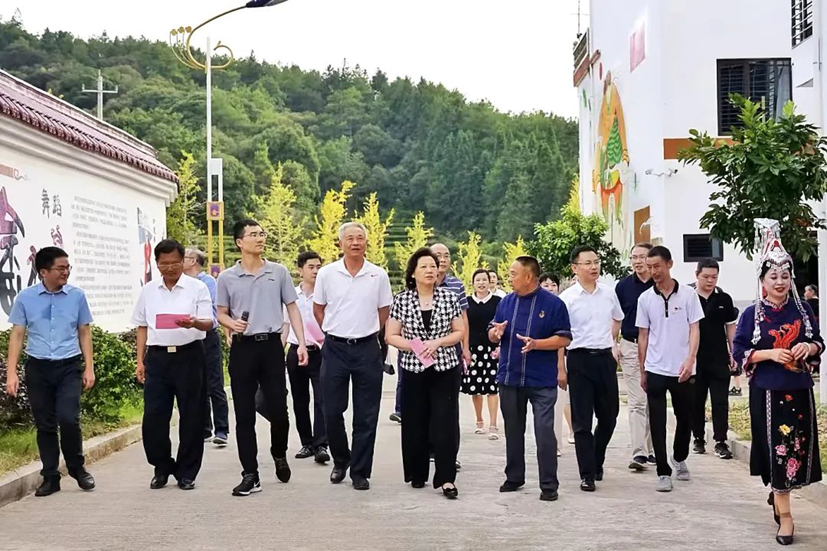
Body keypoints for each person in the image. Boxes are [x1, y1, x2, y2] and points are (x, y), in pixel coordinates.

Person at [732, 219, 823, 546]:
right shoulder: (751, 315)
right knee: (777, 454)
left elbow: (819, 342)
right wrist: (770, 353)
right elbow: (739, 352)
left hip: (799, 392)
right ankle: (786, 517)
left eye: (785, 276)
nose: (780, 282)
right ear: (763, 280)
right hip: (768, 394)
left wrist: (808, 348)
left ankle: (780, 495)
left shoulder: (802, 311)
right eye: (774, 276)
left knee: (796, 451)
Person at [217, 219, 309, 497]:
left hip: (271, 347)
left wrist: (301, 343)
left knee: (279, 411)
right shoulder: (227, 277)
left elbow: (292, 308)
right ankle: (250, 474)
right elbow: (220, 313)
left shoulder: (278, 272)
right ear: (239, 242)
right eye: (253, 234)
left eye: (262, 234)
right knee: (244, 414)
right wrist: (231, 324)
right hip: (243, 348)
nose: (260, 238)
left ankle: (279, 452)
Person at [5, 247, 96, 497]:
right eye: (60, 268)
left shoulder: (77, 296)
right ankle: (50, 476)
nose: (66, 272)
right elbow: (17, 334)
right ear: (43, 272)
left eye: (68, 267)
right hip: (38, 367)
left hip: (69, 366)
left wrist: (89, 367)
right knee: (45, 424)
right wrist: (11, 373)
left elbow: (84, 331)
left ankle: (77, 468)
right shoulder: (26, 298)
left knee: (68, 419)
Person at [314, 222, 393, 491]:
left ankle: (360, 471)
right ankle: (341, 459)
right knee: (331, 409)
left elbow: (384, 312)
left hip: (367, 348)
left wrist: (366, 331)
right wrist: (335, 330)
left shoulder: (378, 274)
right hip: (335, 348)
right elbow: (318, 309)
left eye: (360, 238)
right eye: (350, 238)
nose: (355, 243)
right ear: (341, 243)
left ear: (366, 242)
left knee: (366, 414)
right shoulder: (327, 273)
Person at [132, 239, 213, 491]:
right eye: (164, 264)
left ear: (183, 261)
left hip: (189, 356)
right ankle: (162, 466)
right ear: (156, 264)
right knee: (154, 416)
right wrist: (140, 360)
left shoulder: (197, 287)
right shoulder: (148, 290)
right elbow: (142, 326)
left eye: (175, 263)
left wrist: (194, 323)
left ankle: (187, 472)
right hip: (158, 358)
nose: (170, 268)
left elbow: (209, 322)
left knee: (192, 415)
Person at [489, 256, 572, 502]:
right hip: (510, 376)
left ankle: (549, 484)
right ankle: (514, 477)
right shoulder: (506, 302)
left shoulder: (554, 304)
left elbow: (564, 338)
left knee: (544, 431)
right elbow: (492, 333)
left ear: (528, 277)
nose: (509, 277)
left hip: (541, 379)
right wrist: (495, 333)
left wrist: (537, 344)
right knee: (513, 430)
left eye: (513, 273)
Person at [386, 248, 464, 498]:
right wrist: (416, 346)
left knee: (444, 422)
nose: (430, 270)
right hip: (413, 368)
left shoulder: (449, 298)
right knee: (415, 421)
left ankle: (446, 478)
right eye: (424, 266)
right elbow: (391, 335)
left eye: (433, 266)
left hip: (445, 368)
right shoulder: (402, 300)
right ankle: (417, 473)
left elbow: (459, 331)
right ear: (413, 273)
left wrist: (438, 342)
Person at [636, 245, 704, 493]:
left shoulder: (688, 295)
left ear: (669, 264)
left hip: (683, 369)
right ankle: (663, 471)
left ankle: (679, 456)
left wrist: (690, 359)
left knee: (685, 417)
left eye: (657, 266)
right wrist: (643, 369)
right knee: (657, 421)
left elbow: (695, 329)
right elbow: (643, 336)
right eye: (650, 267)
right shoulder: (645, 299)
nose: (653, 271)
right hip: (655, 368)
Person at [559, 246, 623, 492]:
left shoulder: (608, 293)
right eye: (587, 263)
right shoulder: (567, 298)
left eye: (596, 261)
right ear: (575, 268)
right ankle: (587, 474)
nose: (594, 266)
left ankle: (597, 457)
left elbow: (618, 318)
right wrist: (560, 367)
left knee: (609, 417)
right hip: (579, 360)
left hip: (605, 359)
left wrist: (610, 340)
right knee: (582, 421)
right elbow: (560, 335)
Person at [283, 251, 329, 464]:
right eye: (311, 267)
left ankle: (321, 444)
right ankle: (307, 443)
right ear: (300, 270)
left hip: (321, 352)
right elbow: (285, 325)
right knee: (300, 399)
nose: (316, 271)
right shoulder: (291, 296)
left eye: (319, 267)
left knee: (322, 398)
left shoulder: (326, 295)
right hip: (296, 351)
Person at [690, 258, 738, 460]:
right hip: (695, 359)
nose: (710, 281)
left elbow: (730, 327)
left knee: (720, 402)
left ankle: (720, 441)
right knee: (696, 401)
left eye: (714, 277)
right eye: (706, 277)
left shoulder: (724, 299)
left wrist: (734, 352)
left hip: (719, 358)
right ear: (697, 275)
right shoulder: (688, 297)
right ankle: (698, 438)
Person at [615, 243, 656, 470]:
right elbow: (616, 318)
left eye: (642, 257)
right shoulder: (623, 287)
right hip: (630, 346)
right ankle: (639, 452)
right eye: (634, 257)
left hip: (657, 348)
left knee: (653, 399)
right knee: (638, 401)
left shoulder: (660, 285)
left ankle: (652, 449)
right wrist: (614, 343)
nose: (637, 261)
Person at [183, 247, 230, 448]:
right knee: (196, 384)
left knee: (214, 382)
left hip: (207, 336)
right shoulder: (181, 283)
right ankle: (204, 429)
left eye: (183, 257)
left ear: (193, 261)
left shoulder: (207, 282)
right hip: (189, 337)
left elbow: (212, 311)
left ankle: (221, 429)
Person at [432, 243, 471, 469]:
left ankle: (449, 453)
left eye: (446, 255)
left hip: (451, 350)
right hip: (423, 353)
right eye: (438, 255)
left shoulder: (456, 285)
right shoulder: (417, 282)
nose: (443, 259)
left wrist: (465, 347)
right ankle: (428, 450)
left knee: (449, 405)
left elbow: (464, 319)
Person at [462, 269, 501, 440]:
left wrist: (500, 346)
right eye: (478, 280)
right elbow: (463, 327)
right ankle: (479, 420)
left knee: (492, 387)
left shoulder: (498, 302)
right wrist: (465, 349)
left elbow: (503, 325)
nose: (481, 283)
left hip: (492, 349)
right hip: (473, 350)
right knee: (475, 388)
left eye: (484, 279)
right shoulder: (467, 302)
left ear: (489, 282)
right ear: (473, 283)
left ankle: (493, 424)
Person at [541, 273, 574, 454]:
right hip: (540, 361)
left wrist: (561, 367)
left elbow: (561, 339)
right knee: (547, 407)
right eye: (545, 285)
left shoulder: (560, 305)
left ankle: (557, 443)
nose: (550, 288)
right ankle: (550, 444)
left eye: (553, 284)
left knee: (559, 403)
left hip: (561, 359)